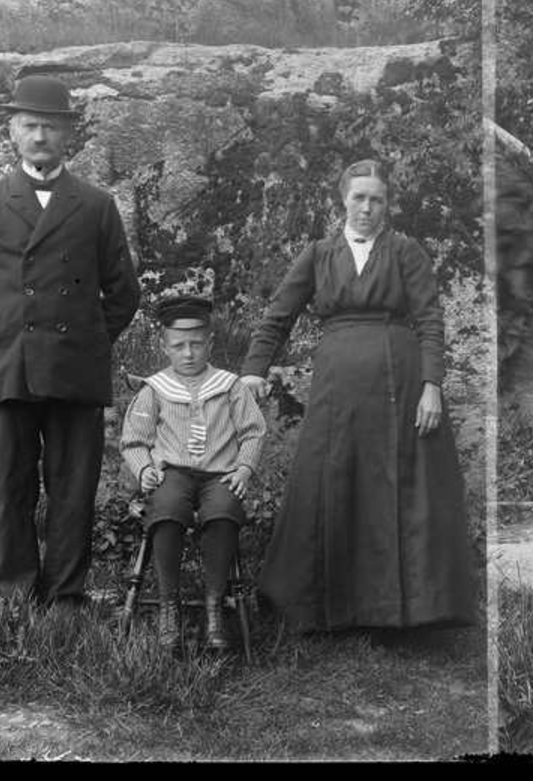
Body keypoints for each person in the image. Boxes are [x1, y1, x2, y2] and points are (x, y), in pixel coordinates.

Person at [239, 159, 478, 633]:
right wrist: (251, 372)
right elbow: (278, 316)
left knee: (400, 486)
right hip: (338, 387)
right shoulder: (319, 254)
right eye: (359, 198)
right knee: (330, 480)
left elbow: (430, 320)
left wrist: (431, 386)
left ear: (387, 205)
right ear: (343, 199)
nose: (367, 208)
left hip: (400, 385)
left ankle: (411, 609)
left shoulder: (406, 251)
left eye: (377, 200)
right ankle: (323, 607)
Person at [0, 75, 141, 609]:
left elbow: (123, 293)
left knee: (73, 488)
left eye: (50, 126)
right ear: (12, 131)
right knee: (10, 487)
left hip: (75, 369)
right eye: (29, 125)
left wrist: (85, 340)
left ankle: (67, 597)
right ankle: (15, 596)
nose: (40, 136)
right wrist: (4, 336)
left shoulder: (96, 205)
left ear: (68, 134)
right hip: (9, 368)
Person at [120, 295, 267, 651]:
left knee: (224, 510)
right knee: (166, 508)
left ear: (210, 343)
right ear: (164, 347)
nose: (188, 353)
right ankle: (169, 608)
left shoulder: (229, 386)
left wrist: (244, 468)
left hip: (220, 474)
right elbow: (134, 440)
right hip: (173, 473)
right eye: (178, 346)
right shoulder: (156, 389)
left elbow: (253, 431)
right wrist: (144, 469)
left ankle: (215, 609)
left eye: (196, 344)